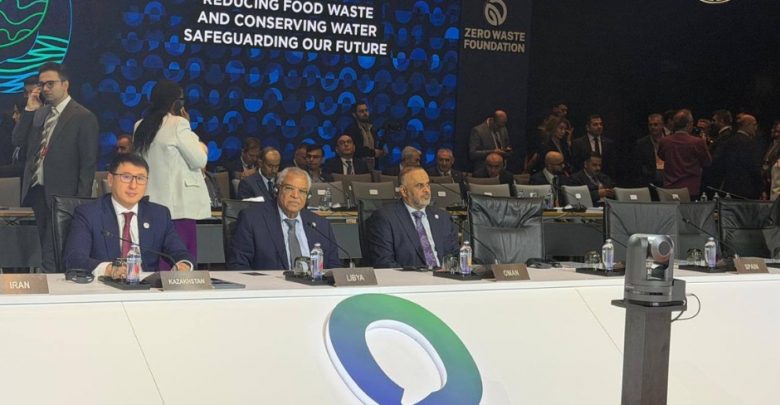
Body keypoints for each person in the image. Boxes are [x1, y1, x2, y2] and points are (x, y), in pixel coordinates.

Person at [11, 62, 99, 272]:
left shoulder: (83, 116)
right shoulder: (40, 114)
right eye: (42, 85)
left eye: (50, 84)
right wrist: (29, 110)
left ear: (65, 84)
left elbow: (87, 165)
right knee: (35, 251)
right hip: (36, 191)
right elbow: (18, 140)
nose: (45, 89)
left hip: (63, 195)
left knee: (52, 255)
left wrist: (80, 202)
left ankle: (52, 289)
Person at [63, 154, 193, 278]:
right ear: (110, 180)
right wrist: (109, 269)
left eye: (140, 178)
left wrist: (183, 265)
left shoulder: (159, 215)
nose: (133, 186)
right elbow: (74, 258)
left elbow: (180, 253)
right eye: (126, 177)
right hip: (104, 287)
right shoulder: (89, 214)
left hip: (148, 289)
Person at [133, 80, 210, 266]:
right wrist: (197, 140)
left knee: (157, 255)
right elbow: (199, 159)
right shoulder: (178, 123)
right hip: (179, 206)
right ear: (175, 103)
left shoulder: (140, 125)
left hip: (151, 202)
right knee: (181, 258)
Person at [229, 167, 342, 270]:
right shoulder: (253, 219)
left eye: (302, 191)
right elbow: (238, 265)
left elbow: (334, 268)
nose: (295, 196)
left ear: (307, 196)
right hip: (271, 285)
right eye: (289, 188)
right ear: (277, 190)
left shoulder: (322, 225)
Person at [366, 167, 459, 268]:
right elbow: (384, 262)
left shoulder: (443, 217)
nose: (427, 190)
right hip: (408, 277)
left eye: (428, 185)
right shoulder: (385, 218)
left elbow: (455, 255)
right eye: (420, 186)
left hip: (444, 276)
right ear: (404, 191)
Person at [657, 109, 711, 198]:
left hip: (669, 189)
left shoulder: (665, 141)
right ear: (688, 124)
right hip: (690, 189)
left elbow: (661, 156)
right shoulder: (698, 142)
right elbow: (707, 162)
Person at [710, 114, 763, 199]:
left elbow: (718, 164)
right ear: (747, 125)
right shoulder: (750, 144)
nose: (756, 128)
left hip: (729, 187)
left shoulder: (728, 142)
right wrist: (761, 188)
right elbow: (754, 168)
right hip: (748, 189)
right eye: (754, 125)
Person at [344, 102, 385, 169]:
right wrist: (373, 153)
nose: (365, 113)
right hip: (357, 169)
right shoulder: (351, 130)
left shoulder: (372, 129)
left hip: (372, 168)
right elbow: (352, 150)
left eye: (366, 110)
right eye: (361, 111)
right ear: (354, 115)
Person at [634, 113, 665, 187]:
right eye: (650, 125)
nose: (652, 127)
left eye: (655, 124)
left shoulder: (669, 141)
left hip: (668, 176)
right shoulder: (641, 143)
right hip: (650, 179)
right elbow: (639, 166)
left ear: (662, 125)